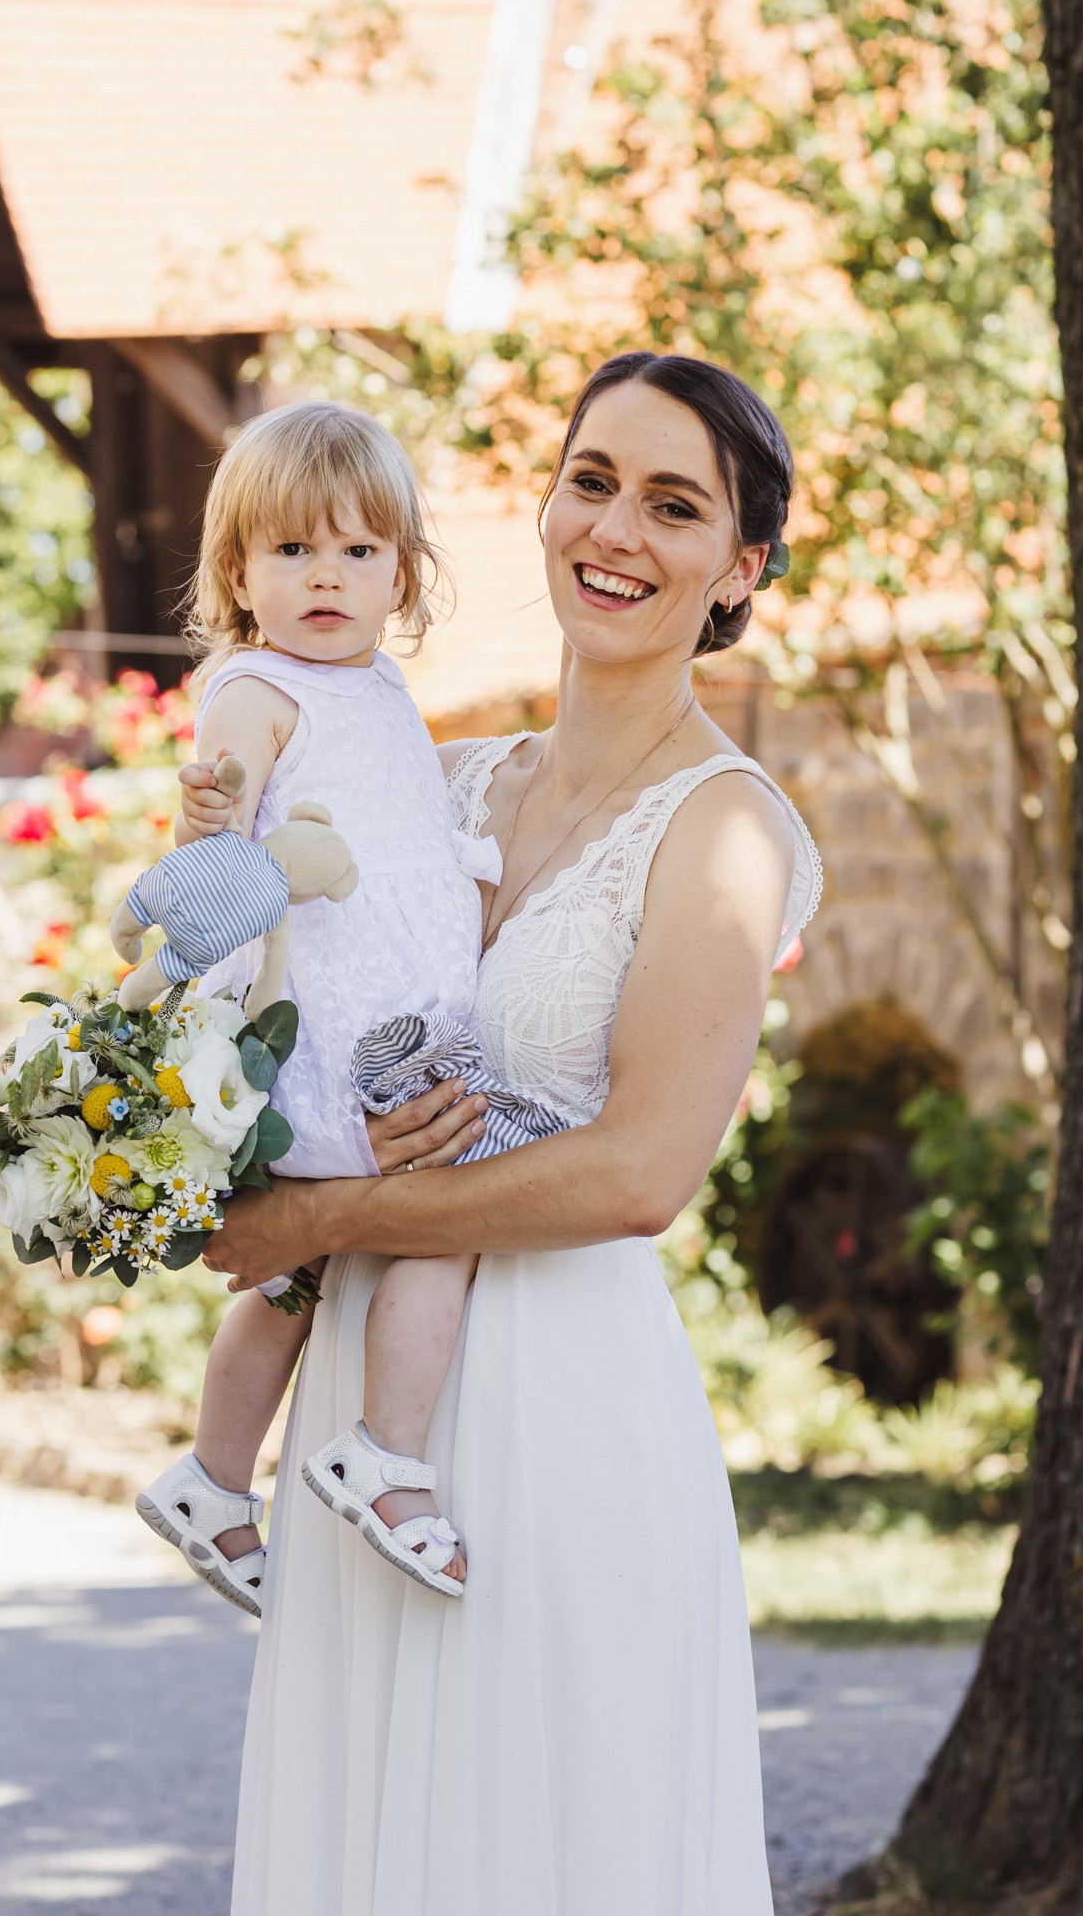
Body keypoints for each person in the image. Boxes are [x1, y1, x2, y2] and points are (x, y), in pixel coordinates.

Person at [205, 351, 822, 1915]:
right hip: (358, 1412)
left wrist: (324, 1222)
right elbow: (283, 1007)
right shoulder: (440, 776)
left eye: (675, 506)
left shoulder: (727, 827)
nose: (616, 529)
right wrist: (191, 1141)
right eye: (593, 480)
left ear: (739, 567)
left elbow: (638, 1174)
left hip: (561, 1424)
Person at [138, 400, 559, 1611]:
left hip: (396, 1021)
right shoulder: (257, 689)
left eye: (358, 552)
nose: (326, 577)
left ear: (402, 576)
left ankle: (214, 1482)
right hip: (329, 1034)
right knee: (445, 1213)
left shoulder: (376, 690)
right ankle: (386, 1458)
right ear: (238, 573)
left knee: (298, 1276)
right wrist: (212, 813)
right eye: (292, 552)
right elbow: (222, 831)